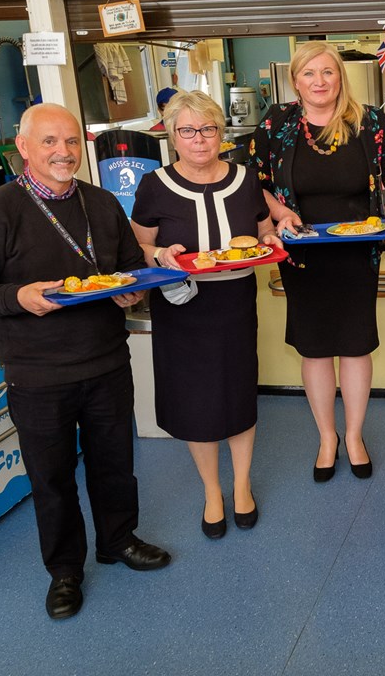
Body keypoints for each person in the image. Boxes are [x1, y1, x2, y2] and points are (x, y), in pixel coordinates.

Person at [0, 103, 171, 621]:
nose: (62, 152)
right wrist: (18, 297)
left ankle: (118, 540)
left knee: (116, 465)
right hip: (36, 372)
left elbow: (131, 269)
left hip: (106, 361)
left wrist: (130, 294)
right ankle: (65, 571)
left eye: (70, 142)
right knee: (52, 477)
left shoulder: (103, 202)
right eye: (49, 142)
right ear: (23, 148)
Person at [249, 41, 385, 482]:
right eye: (308, 74)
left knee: (356, 344)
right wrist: (281, 214)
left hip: (358, 250)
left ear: (341, 76)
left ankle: (354, 435)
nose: (319, 82)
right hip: (302, 253)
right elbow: (256, 182)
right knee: (315, 346)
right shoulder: (276, 123)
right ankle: (327, 437)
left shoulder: (370, 120)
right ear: (294, 80)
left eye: (328, 72)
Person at [130, 91, 272, 539]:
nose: (199, 139)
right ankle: (213, 491)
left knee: (238, 394)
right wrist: (158, 253)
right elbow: (137, 247)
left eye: (208, 129)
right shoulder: (154, 185)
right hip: (181, 309)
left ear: (220, 133)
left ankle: (243, 484)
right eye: (187, 131)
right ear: (172, 136)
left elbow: (265, 232)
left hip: (234, 304)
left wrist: (273, 239)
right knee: (196, 403)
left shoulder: (247, 179)